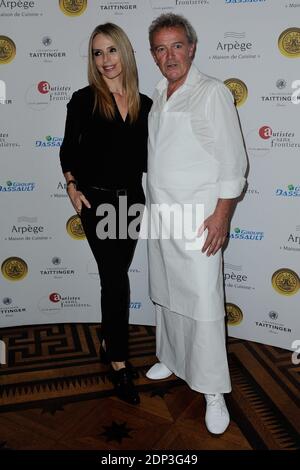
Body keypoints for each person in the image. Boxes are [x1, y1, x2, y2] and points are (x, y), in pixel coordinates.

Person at [146, 13, 247, 434]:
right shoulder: (158, 93)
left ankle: (212, 391)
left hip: (200, 219)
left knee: (203, 304)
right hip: (162, 215)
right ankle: (170, 357)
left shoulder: (211, 92)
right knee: (167, 292)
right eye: (160, 48)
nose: (170, 55)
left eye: (177, 46)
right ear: (153, 54)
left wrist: (222, 215)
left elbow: (233, 161)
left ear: (192, 47)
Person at [60, 23, 152, 405]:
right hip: (95, 203)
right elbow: (67, 149)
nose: (105, 60)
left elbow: (152, 158)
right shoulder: (83, 100)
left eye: (111, 50)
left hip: (131, 201)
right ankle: (118, 360)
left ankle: (105, 338)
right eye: (97, 53)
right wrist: (70, 184)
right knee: (115, 280)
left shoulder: (147, 104)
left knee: (114, 278)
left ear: (125, 53)